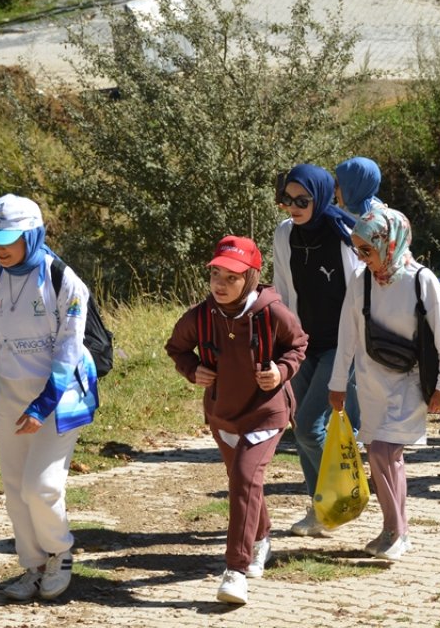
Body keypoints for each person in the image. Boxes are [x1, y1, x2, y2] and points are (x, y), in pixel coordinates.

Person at [0, 194, 98, 602]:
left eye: (9, 238)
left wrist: (42, 406)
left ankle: (60, 553)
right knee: (16, 488)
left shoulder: (62, 279)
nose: (0, 247)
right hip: (10, 396)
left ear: (32, 235)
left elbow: (69, 350)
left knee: (42, 487)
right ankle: (32, 565)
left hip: (60, 395)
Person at [165, 236, 308, 604]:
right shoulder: (200, 315)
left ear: (251, 277)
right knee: (244, 482)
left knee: (244, 478)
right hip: (222, 414)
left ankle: (235, 570)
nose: (220, 284)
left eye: (232, 276)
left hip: (266, 411)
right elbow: (176, 347)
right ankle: (261, 539)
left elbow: (298, 344)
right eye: (216, 274)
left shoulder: (271, 311)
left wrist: (281, 371)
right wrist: (192, 369)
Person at [328, 208, 440, 561]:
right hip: (371, 383)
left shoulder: (421, 280)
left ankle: (396, 531)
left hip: (410, 382)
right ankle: (394, 530)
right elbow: (348, 334)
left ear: (390, 242)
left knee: (383, 452)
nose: (362, 258)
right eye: (358, 250)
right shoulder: (362, 280)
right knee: (383, 455)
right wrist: (338, 382)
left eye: (367, 250)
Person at [272, 163, 364, 537]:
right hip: (303, 345)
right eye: (286, 199)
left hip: (342, 346)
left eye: (302, 200)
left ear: (321, 196)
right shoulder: (284, 235)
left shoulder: (344, 235)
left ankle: (339, 500)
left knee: (309, 428)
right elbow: (281, 291)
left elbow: (359, 295)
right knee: (302, 426)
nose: (293, 206)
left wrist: (354, 351)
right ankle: (321, 508)